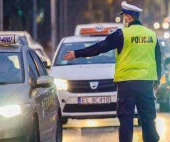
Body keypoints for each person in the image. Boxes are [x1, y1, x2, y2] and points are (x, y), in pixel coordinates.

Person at [64, 1, 161, 142]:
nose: (123, 20)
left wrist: (77, 53)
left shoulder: (122, 34)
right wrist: (157, 81)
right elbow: (158, 59)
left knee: (126, 121)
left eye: (124, 17)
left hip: (126, 85)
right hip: (146, 84)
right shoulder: (151, 35)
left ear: (128, 17)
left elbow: (100, 47)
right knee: (148, 120)